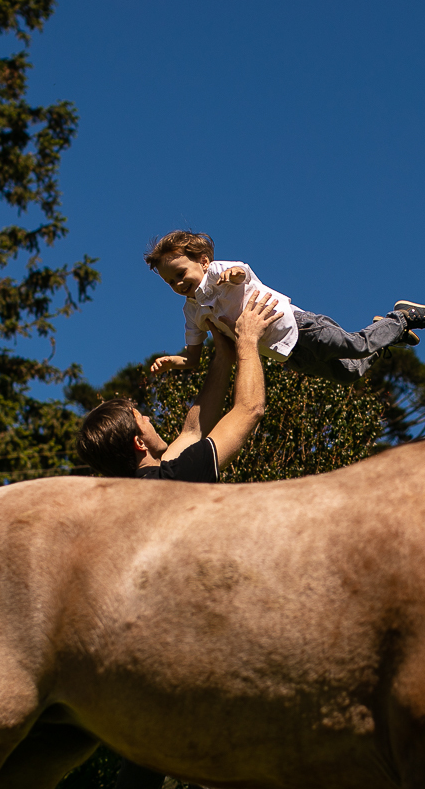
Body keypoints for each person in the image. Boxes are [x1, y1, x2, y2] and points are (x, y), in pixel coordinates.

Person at [76, 291, 281, 789]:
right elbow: (249, 409)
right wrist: (249, 341)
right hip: (190, 644)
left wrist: (221, 352)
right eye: (145, 419)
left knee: (145, 763)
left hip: (140, 653)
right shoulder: (175, 480)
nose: (153, 419)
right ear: (138, 442)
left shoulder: (134, 491)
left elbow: (195, 424)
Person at [143, 230, 425, 385]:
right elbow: (193, 357)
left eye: (180, 274)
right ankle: (389, 335)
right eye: (170, 282)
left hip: (298, 326)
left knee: (356, 344)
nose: (178, 284)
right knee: (349, 374)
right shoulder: (193, 312)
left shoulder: (218, 271)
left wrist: (231, 276)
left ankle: (402, 317)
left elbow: (242, 272)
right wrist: (176, 362)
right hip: (285, 354)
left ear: (203, 261)